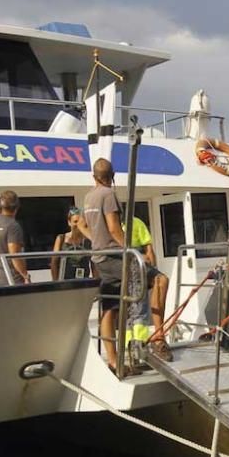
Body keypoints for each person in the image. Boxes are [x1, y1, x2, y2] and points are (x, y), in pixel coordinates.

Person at [74, 158, 172, 370]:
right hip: (117, 258)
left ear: (94, 177)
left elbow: (81, 225)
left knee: (109, 308)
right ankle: (157, 340)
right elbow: (113, 228)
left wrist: (96, 241)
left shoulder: (89, 197)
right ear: (113, 176)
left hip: (100, 259)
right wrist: (132, 250)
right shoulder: (108, 194)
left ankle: (113, 360)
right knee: (159, 280)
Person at [122, 213, 171, 357]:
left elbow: (149, 250)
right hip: (122, 264)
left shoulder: (136, 222)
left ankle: (158, 336)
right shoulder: (109, 227)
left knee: (161, 280)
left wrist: (152, 265)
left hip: (140, 264)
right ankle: (131, 343)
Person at [0, 190, 29, 286]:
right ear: (17, 207)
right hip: (11, 281)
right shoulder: (13, 226)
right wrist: (25, 276)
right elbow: (14, 256)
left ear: (0, 206)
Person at [51, 207, 94, 280]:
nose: (78, 225)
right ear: (69, 222)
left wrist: (95, 281)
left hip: (83, 281)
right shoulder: (61, 238)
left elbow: (93, 263)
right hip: (65, 281)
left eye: (80, 222)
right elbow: (54, 262)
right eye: (75, 221)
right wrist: (55, 282)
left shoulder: (87, 240)